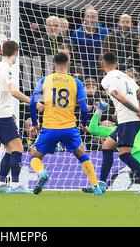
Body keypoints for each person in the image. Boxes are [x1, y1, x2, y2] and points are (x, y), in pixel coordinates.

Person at [28, 52, 103, 195]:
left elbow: (32, 103)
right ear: (69, 63)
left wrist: (35, 123)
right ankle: (95, 186)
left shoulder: (45, 80)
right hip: (69, 127)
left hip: (50, 127)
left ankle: (43, 173)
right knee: (82, 155)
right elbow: (84, 108)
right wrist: (84, 123)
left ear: (53, 64)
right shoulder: (76, 82)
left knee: (34, 156)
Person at [93, 52, 140, 194]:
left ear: (101, 64)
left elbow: (119, 96)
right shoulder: (126, 76)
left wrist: (137, 110)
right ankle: (102, 184)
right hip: (133, 118)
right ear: (117, 64)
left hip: (127, 119)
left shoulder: (106, 79)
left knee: (124, 154)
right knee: (107, 145)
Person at [0, 40, 34, 194]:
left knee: (9, 149)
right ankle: (15, 185)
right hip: (2, 117)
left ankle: (1, 183)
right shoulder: (7, 69)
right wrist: (32, 101)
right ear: (15, 52)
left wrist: (9, 111)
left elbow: (0, 93)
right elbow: (13, 91)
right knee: (18, 148)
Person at [70, 7, 109, 79]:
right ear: (84, 18)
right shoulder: (76, 33)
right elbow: (74, 52)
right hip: (83, 68)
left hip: (101, 68)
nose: (90, 19)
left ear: (97, 18)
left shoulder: (105, 32)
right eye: (88, 16)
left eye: (93, 17)